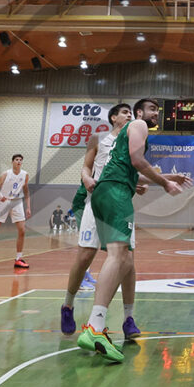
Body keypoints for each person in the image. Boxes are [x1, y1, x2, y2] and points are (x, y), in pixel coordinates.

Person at [76, 98, 191, 363]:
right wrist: (165, 183)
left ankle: (99, 325)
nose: (156, 114)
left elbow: (132, 169)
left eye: (157, 111)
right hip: (115, 192)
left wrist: (168, 178)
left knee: (126, 259)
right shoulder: (139, 125)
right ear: (139, 112)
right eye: (152, 109)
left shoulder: (126, 135)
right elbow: (138, 161)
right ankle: (95, 327)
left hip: (108, 191)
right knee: (118, 257)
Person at [60, 104, 143, 336]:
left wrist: (137, 184)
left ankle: (128, 318)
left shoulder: (132, 140)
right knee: (85, 255)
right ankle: (67, 306)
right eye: (124, 112)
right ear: (113, 117)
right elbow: (86, 168)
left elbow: (130, 170)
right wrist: (86, 179)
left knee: (128, 260)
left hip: (120, 202)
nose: (129, 114)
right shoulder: (98, 138)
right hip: (95, 200)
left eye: (130, 112)